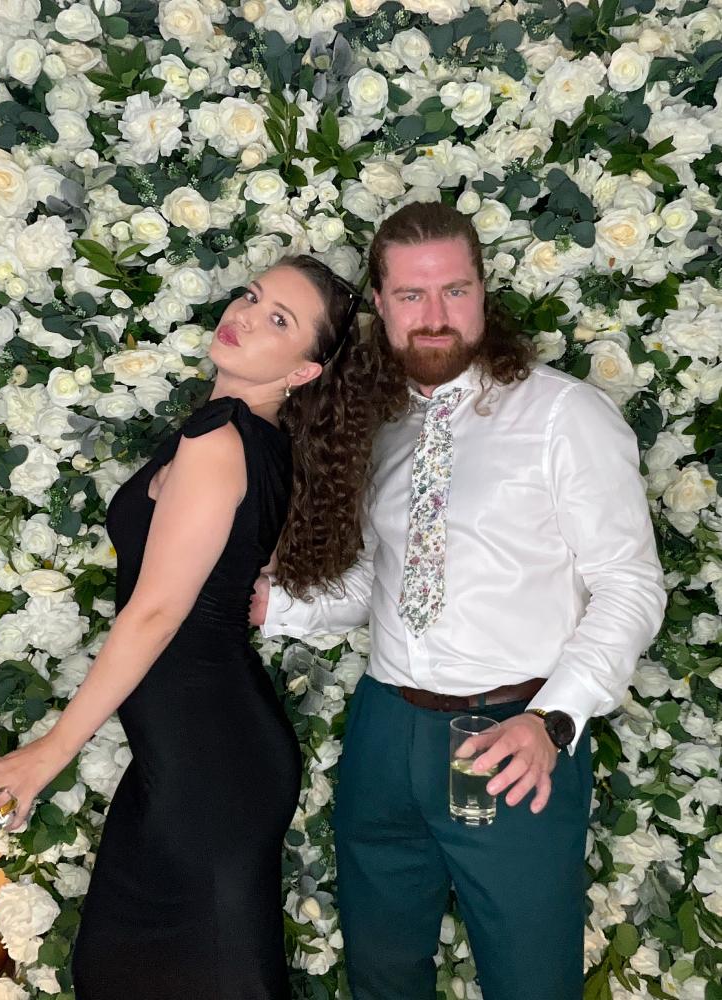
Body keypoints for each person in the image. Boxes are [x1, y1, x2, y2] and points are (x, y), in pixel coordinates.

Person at [253, 202, 667, 1000]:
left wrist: (554, 720)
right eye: (412, 295)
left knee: (530, 981)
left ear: (483, 290)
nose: (435, 315)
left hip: (513, 734)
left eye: (455, 290)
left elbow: (629, 582)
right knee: (381, 974)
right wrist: (272, 608)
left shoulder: (564, 415)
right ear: (380, 304)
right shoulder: (379, 423)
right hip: (385, 732)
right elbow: (376, 584)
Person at [0, 255, 395, 999]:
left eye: (278, 320)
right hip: (192, 758)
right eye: (252, 296)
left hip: (211, 767)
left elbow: (157, 611)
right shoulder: (249, 438)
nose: (244, 315)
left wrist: (51, 753)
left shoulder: (222, 441)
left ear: (302, 371)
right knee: (123, 971)